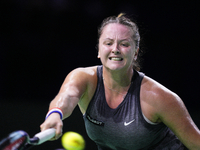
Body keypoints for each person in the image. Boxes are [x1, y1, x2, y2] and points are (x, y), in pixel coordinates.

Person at [40, 13, 200, 150]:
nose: (115, 49)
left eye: (124, 44)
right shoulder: (83, 78)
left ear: (135, 53)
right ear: (99, 50)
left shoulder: (159, 97)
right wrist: (55, 114)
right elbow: (67, 96)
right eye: (108, 43)